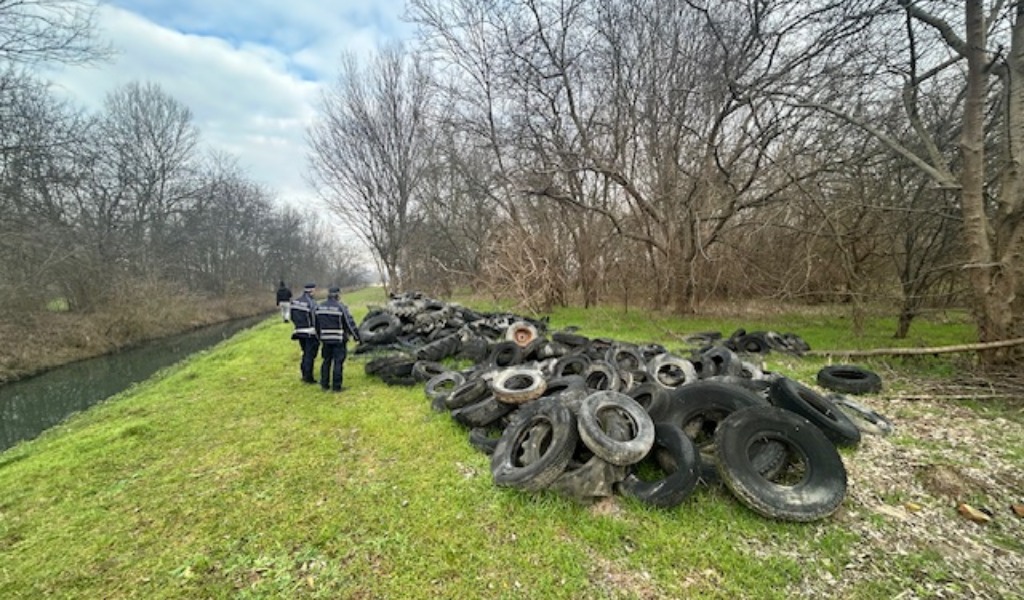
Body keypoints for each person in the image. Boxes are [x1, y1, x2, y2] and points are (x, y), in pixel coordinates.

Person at [314, 286, 362, 392]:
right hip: (338, 339)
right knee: (338, 362)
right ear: (337, 295)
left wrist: (319, 337)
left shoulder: (319, 307)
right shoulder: (341, 307)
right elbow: (349, 323)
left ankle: (324, 384)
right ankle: (336, 387)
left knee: (326, 361)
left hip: (325, 339)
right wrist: (357, 337)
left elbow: (316, 325)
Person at [290, 283, 319, 384]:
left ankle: (303, 374)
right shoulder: (311, 303)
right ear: (312, 290)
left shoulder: (295, 301)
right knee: (310, 355)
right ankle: (308, 377)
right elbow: (315, 318)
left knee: (304, 352)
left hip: (299, 331)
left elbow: (292, 316)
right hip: (310, 332)